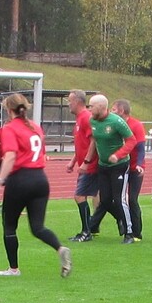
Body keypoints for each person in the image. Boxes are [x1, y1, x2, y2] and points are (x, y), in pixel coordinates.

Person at [0, 93, 72, 278]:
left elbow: (10, 156)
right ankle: (60, 248)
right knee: (38, 227)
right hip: (40, 179)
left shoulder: (10, 128)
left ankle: (13, 269)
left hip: (20, 180)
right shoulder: (35, 127)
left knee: (9, 226)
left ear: (9, 110)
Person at [85, 94, 139, 244]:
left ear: (101, 107)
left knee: (119, 199)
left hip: (119, 166)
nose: (89, 109)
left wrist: (118, 155)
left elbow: (131, 140)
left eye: (91, 106)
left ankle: (129, 233)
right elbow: (95, 140)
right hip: (103, 166)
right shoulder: (92, 121)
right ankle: (119, 220)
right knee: (105, 200)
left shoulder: (116, 122)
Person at [64, 89, 100, 242]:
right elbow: (82, 143)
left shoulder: (85, 117)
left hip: (90, 165)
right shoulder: (80, 118)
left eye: (70, 101)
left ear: (77, 101)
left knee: (79, 196)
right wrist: (73, 161)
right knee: (95, 197)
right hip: (86, 164)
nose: (68, 104)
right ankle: (89, 229)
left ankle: (87, 231)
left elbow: (94, 140)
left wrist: (86, 162)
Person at [113, 99, 145, 241]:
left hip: (134, 168)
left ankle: (137, 232)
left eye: (114, 109)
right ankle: (124, 223)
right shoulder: (115, 124)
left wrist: (139, 164)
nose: (111, 112)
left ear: (121, 111)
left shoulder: (136, 125)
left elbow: (141, 148)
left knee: (132, 199)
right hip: (121, 166)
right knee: (116, 199)